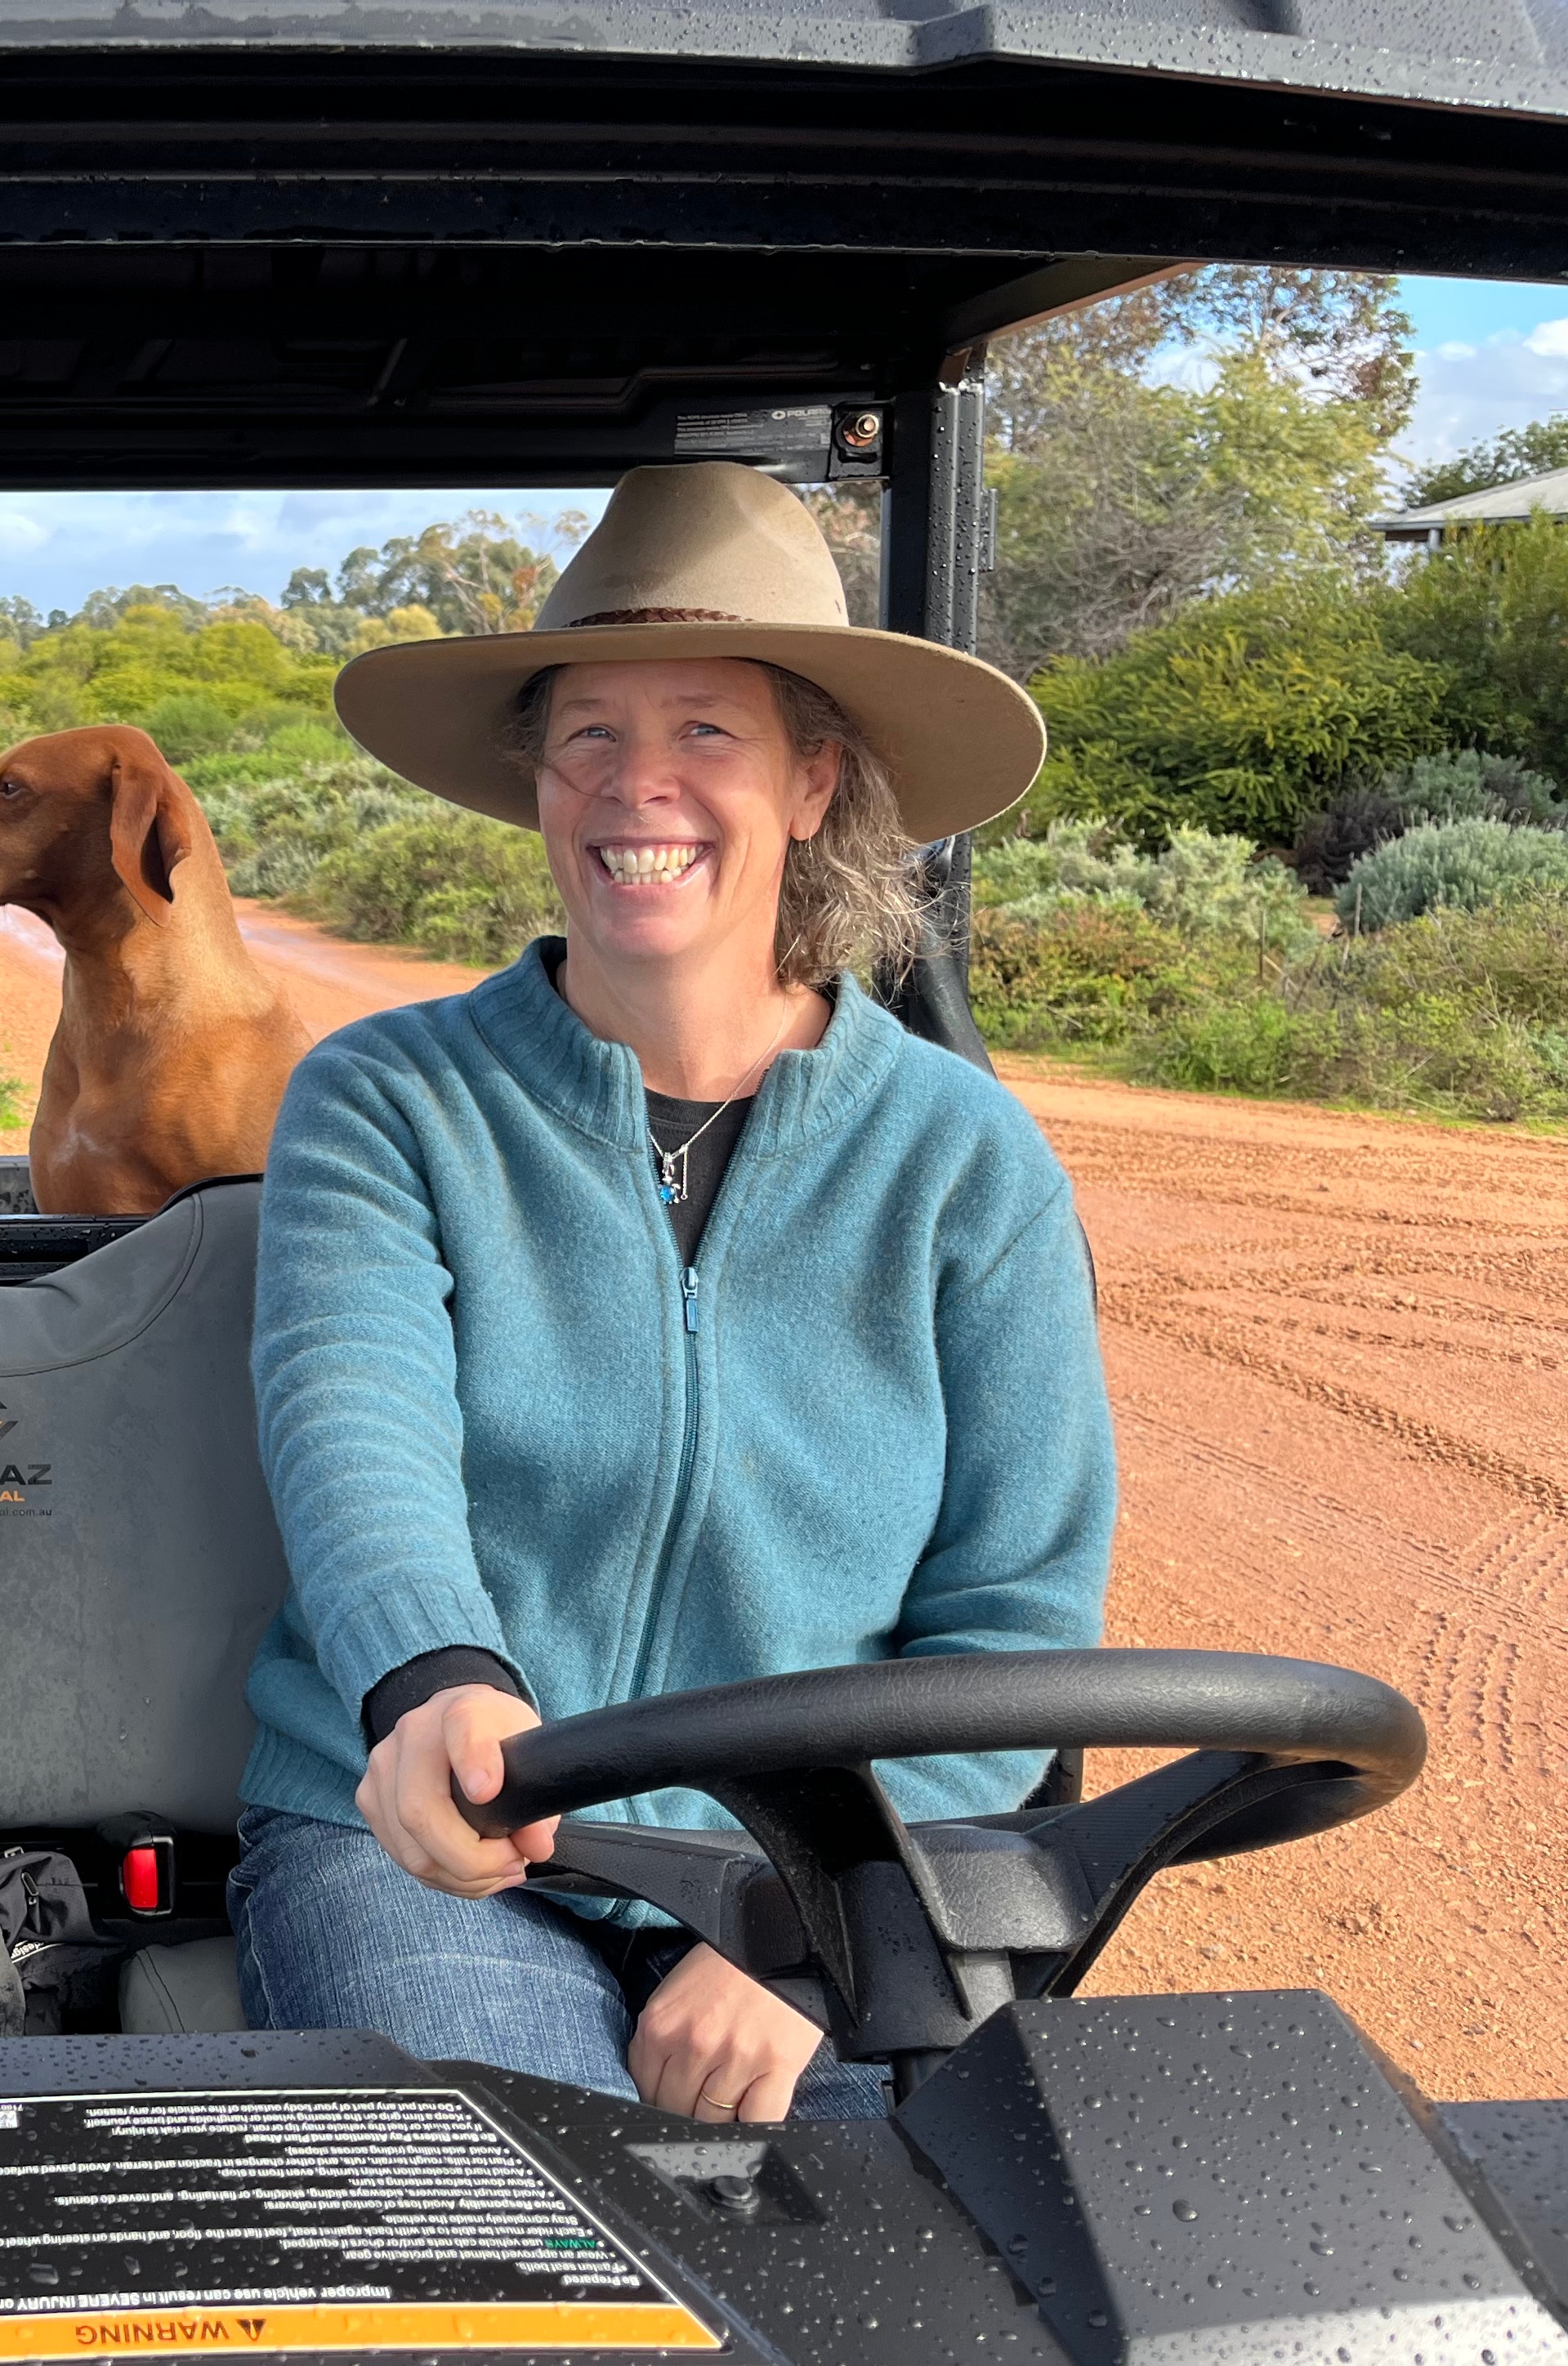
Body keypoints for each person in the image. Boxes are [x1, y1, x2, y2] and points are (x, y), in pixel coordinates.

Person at [229, 461, 1116, 2124]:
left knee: (899, 2290)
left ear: (810, 781)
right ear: (539, 782)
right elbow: (356, 1419)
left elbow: (1014, 1619)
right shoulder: (388, 1097)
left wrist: (805, 1934)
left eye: (707, 731)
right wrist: (433, 1684)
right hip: (448, 1842)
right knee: (520, 2253)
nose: (639, 785)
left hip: (830, 1872)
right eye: (588, 736)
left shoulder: (962, 1160)